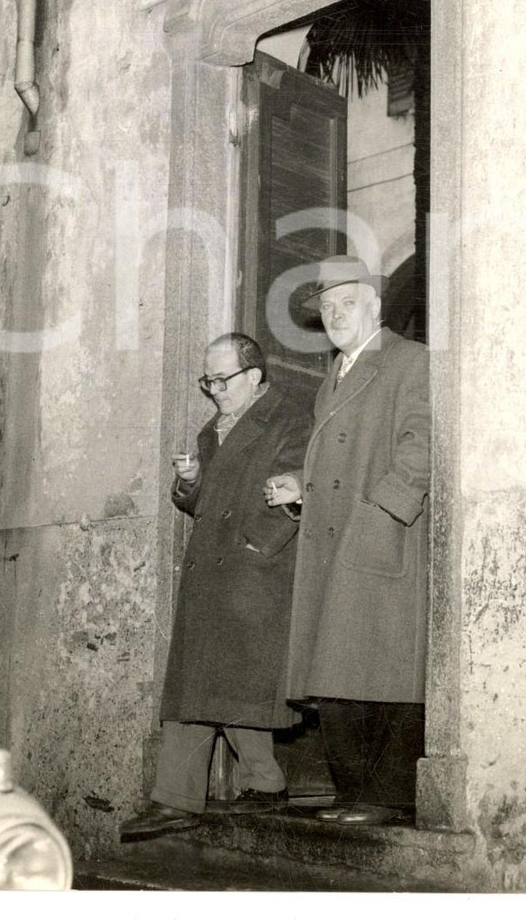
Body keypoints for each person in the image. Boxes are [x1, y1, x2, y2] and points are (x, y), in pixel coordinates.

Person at [120, 333, 311, 840]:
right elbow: (201, 501)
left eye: (222, 380)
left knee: (218, 680)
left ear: (254, 376)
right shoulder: (216, 429)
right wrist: (190, 481)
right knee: (213, 680)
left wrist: (258, 546)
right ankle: (263, 785)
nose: (213, 390)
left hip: (254, 570)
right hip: (215, 566)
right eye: (208, 380)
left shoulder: (289, 417)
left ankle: (176, 799)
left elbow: (303, 481)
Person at [265, 255, 430, 827]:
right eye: (327, 307)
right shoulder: (331, 377)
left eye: (347, 303)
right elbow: (334, 462)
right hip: (334, 540)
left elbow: (423, 444)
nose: (335, 315)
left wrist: (382, 511)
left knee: (384, 668)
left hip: (382, 538)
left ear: (376, 307)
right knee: (336, 670)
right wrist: (302, 489)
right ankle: (353, 793)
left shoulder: (411, 362)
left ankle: (385, 797)